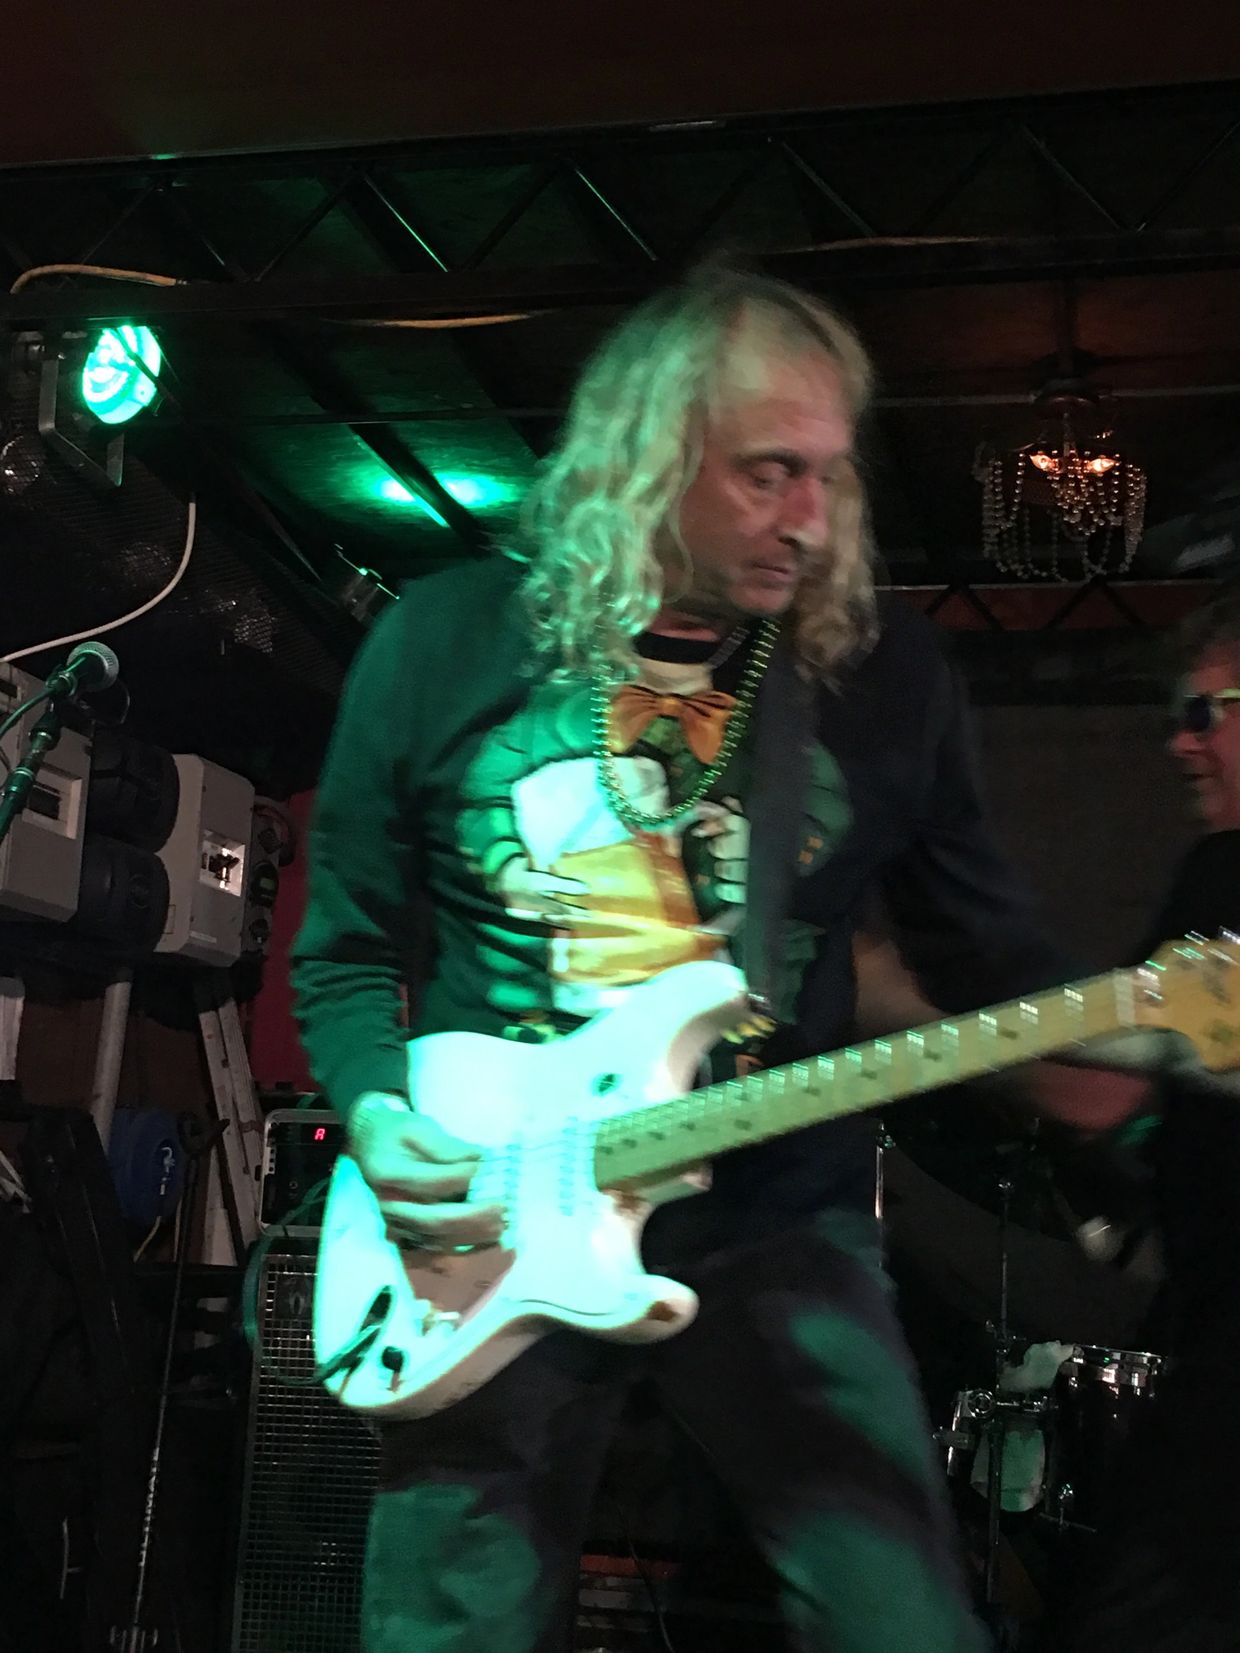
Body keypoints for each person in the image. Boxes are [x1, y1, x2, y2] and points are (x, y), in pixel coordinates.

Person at [290, 262, 1073, 1653]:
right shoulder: (442, 640)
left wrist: (1135, 1055)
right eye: (770, 473)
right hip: (486, 1216)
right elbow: (343, 950)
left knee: (901, 1622)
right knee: (451, 1631)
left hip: (775, 1210)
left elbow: (986, 950)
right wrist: (376, 1112)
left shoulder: (881, 680)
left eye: (828, 475)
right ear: (651, 456)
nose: (811, 519)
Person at [1049, 586, 1240, 1653]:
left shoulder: (1228, 872)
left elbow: (1094, 1089)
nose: (1181, 741)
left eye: (1206, 712)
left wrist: (891, 1008)